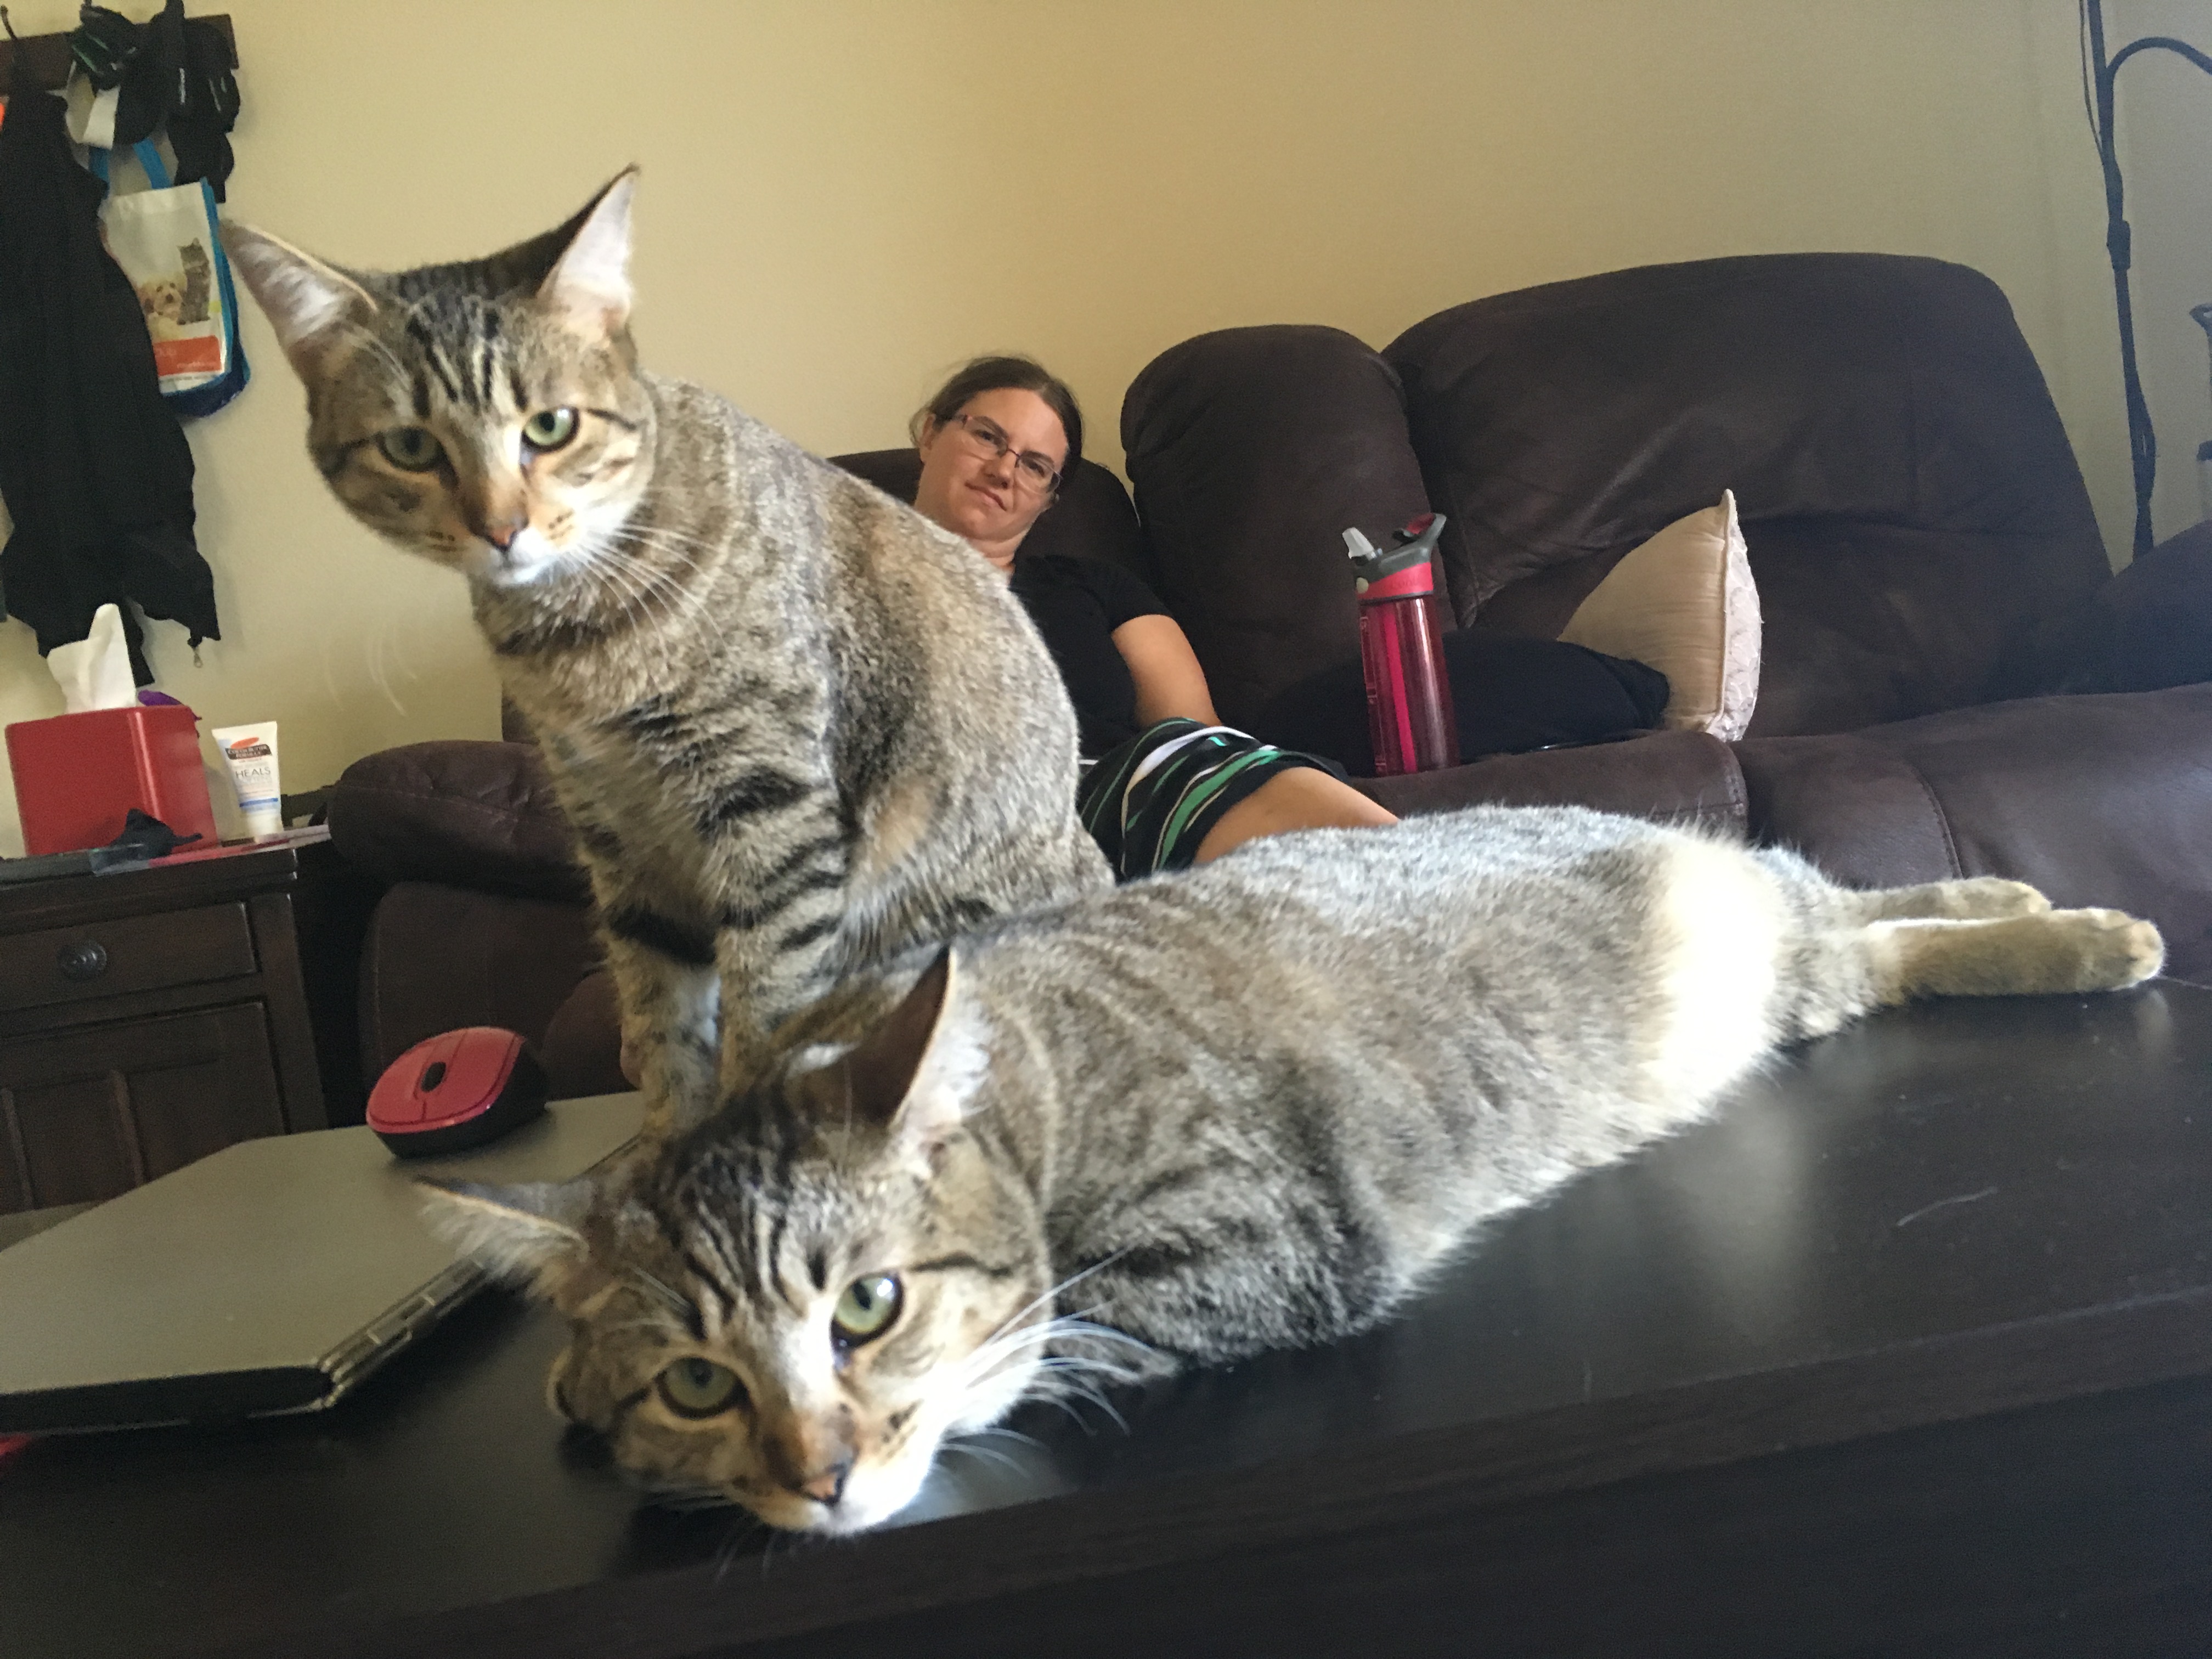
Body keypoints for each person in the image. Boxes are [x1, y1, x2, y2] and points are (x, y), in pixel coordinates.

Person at [911, 355, 1397, 878]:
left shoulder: (1095, 589)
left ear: (1049, 500)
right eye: (988, 437)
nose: (1003, 471)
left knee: (1206, 762)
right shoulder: (855, 585)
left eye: (1034, 466)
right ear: (931, 433)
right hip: (956, 808)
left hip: (1116, 803)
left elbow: (1197, 734)